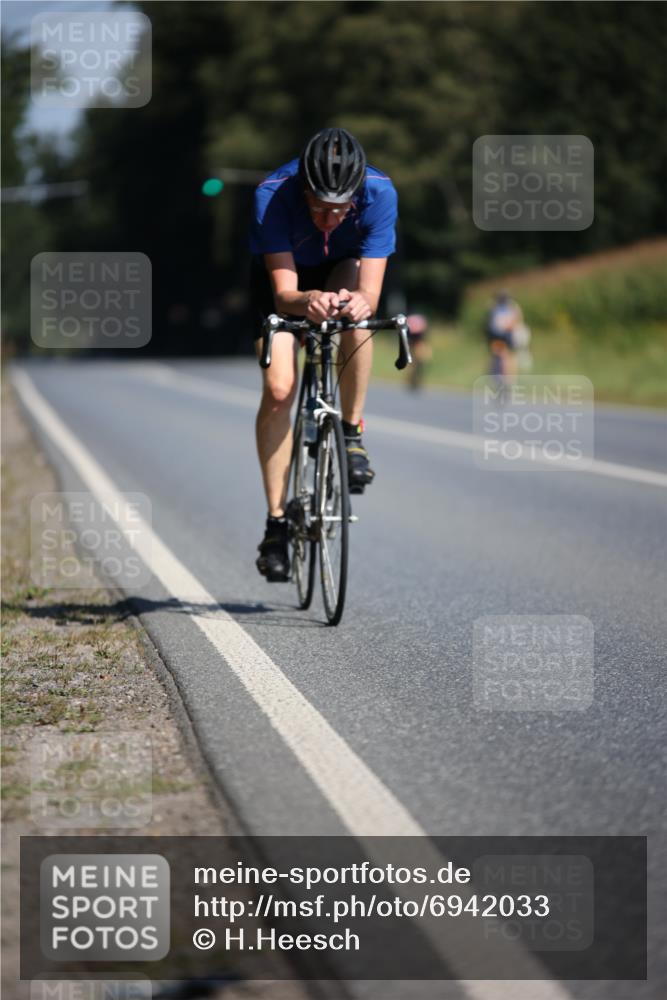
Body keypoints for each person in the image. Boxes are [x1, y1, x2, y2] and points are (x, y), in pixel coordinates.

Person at [249, 127, 398, 581]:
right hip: (286, 285)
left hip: (341, 272)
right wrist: (307, 299)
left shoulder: (379, 193)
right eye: (318, 208)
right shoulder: (272, 195)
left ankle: (350, 434)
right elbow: (284, 295)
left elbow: (370, 292)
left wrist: (358, 302)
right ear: (303, 192)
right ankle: (276, 524)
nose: (329, 220)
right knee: (279, 390)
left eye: (340, 211)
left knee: (357, 314)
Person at [485, 291, 524, 384]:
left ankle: (497, 375)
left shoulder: (495, 308)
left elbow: (490, 323)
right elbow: (517, 320)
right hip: (506, 335)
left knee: (497, 354)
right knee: (508, 355)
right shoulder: (511, 308)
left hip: (496, 335)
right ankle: (509, 378)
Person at [405, 313, 432, 391]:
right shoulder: (416, 324)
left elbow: (421, 339)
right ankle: (412, 379)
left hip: (416, 343)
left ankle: (415, 379)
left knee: (417, 363)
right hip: (413, 343)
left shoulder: (414, 324)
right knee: (413, 363)